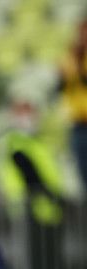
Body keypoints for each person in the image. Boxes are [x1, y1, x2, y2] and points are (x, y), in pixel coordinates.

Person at [58, 18, 87, 190]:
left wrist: (78, 70)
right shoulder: (71, 57)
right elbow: (61, 88)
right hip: (78, 123)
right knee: (83, 172)